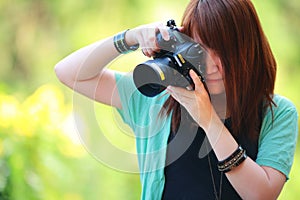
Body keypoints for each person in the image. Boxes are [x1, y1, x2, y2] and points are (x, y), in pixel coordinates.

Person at [55, 0, 298, 199]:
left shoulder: (277, 113)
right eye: (200, 49)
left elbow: (262, 195)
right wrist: (131, 37)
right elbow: (68, 72)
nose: (211, 65)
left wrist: (209, 121)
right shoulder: (160, 99)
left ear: (247, 49)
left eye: (222, 51)